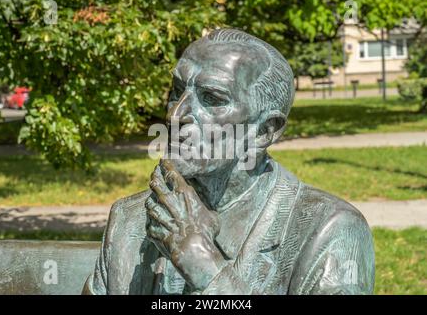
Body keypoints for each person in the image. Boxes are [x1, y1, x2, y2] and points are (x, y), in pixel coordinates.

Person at [82, 29, 374, 295]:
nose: (175, 115)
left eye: (212, 98)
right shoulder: (129, 218)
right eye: (176, 90)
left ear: (264, 131)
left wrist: (206, 269)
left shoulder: (329, 230)